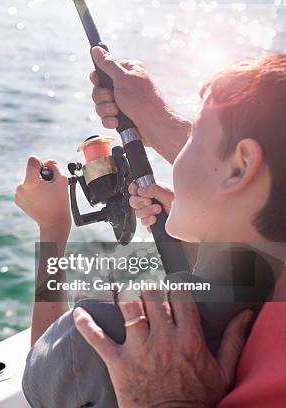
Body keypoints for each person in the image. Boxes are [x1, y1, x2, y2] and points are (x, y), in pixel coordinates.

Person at [15, 47, 286, 407]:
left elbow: (41, 376)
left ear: (240, 168)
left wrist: (53, 227)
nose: (180, 148)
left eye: (192, 139)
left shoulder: (112, 328)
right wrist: (211, 233)